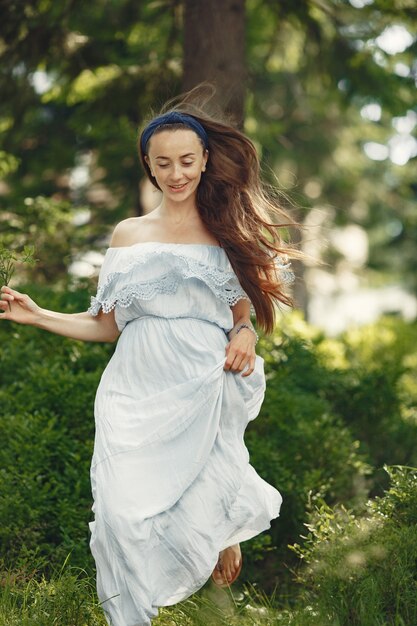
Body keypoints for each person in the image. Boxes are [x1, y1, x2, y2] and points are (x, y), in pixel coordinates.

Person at [0, 92, 295, 626]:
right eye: (163, 163)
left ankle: (218, 532)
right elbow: (108, 325)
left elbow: (242, 311)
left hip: (201, 376)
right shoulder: (128, 235)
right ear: (148, 166)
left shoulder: (226, 231)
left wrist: (246, 330)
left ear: (205, 159)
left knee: (207, 465)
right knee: (117, 514)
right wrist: (39, 315)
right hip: (131, 386)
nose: (176, 173)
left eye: (186, 161)